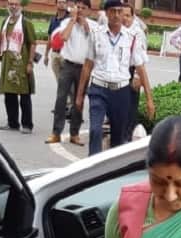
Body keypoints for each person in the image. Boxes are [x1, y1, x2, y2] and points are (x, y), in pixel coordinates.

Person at [76, 0, 156, 156]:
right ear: (106, 13)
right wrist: (79, 96)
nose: (117, 15)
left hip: (121, 92)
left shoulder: (131, 38)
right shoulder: (96, 35)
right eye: (113, 11)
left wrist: (149, 99)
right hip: (99, 89)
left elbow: (140, 67)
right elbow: (87, 65)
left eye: (120, 12)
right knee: (95, 130)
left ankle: (110, 171)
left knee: (118, 137)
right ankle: (94, 166)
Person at [48, 0, 94, 146]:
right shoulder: (67, 22)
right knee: (61, 98)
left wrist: (84, 23)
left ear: (88, 11)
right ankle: (56, 133)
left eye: (83, 8)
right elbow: (63, 38)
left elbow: (93, 39)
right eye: (77, 7)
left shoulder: (94, 25)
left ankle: (75, 133)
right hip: (67, 65)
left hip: (84, 68)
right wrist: (73, 21)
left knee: (78, 100)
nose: (79, 10)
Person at [0, 0, 37, 134]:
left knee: (24, 94)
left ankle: (27, 125)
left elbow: (33, 44)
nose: (13, 6)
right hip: (8, 63)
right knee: (9, 94)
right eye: (10, 4)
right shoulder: (5, 21)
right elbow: (1, 41)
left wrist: (30, 62)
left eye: (15, 4)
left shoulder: (26, 23)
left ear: (20, 6)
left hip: (21, 63)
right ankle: (12, 123)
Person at [122, 4, 148, 142]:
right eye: (123, 15)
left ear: (133, 17)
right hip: (117, 72)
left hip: (132, 72)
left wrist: (138, 77)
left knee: (130, 109)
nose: (125, 18)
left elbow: (141, 58)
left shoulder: (138, 33)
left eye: (128, 15)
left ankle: (126, 139)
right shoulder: (116, 30)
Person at [47, 0, 70, 78]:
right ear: (56, 4)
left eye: (63, 2)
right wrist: (46, 55)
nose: (62, 4)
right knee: (59, 80)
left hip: (66, 55)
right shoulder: (53, 20)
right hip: (55, 54)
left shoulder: (70, 20)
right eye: (59, 2)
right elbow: (50, 38)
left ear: (66, 4)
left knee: (66, 81)